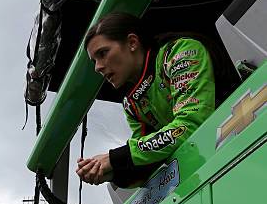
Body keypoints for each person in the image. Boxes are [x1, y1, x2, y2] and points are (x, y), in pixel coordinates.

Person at [76, 12, 223, 188]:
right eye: (94, 61)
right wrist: (111, 172)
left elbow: (190, 124)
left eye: (103, 53)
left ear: (132, 43)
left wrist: (115, 158)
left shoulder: (179, 52)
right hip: (208, 164)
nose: (98, 67)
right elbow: (147, 158)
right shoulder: (131, 103)